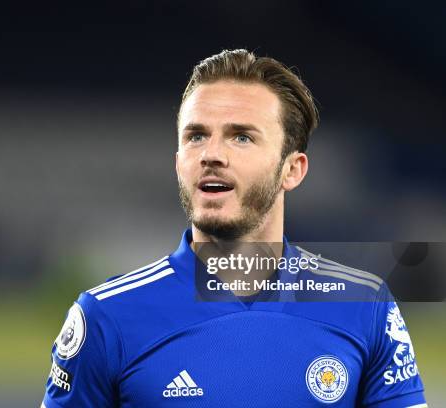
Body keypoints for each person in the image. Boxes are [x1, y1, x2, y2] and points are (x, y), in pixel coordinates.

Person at [40, 49, 426, 407]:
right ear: (178, 163)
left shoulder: (363, 306)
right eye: (196, 136)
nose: (211, 155)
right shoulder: (108, 317)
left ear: (292, 169)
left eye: (241, 137)